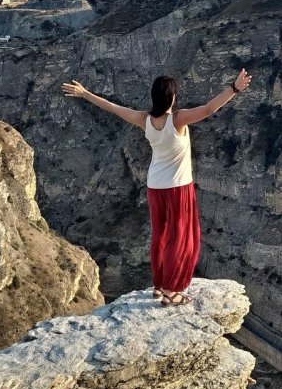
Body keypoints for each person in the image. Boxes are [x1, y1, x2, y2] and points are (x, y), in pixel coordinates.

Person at [61, 69, 252, 306]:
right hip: (178, 188)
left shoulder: (144, 119)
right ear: (172, 98)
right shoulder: (178, 119)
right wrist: (234, 89)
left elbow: (112, 107)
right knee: (180, 238)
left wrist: (85, 93)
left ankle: (159, 285)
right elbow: (208, 109)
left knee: (160, 236)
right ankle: (172, 291)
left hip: (154, 186)